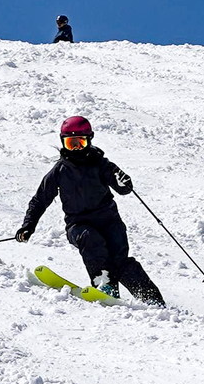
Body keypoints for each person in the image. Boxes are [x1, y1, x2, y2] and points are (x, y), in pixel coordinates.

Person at [16, 116, 165, 304]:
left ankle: (152, 299)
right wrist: (28, 226)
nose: (76, 148)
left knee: (120, 261)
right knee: (90, 239)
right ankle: (105, 285)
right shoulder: (60, 171)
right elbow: (40, 200)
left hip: (110, 223)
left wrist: (124, 181)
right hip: (78, 225)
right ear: (63, 142)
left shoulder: (101, 165)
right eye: (71, 144)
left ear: (89, 140)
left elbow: (124, 189)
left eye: (80, 143)